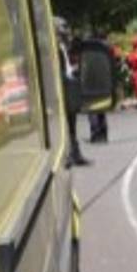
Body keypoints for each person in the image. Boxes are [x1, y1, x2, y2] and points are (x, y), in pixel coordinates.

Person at [55, 17, 88, 166]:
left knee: (72, 123)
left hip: (69, 85)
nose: (66, 31)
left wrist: (74, 71)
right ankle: (67, 155)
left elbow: (67, 65)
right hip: (62, 87)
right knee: (64, 124)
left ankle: (76, 154)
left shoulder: (64, 46)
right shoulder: (52, 48)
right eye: (63, 28)